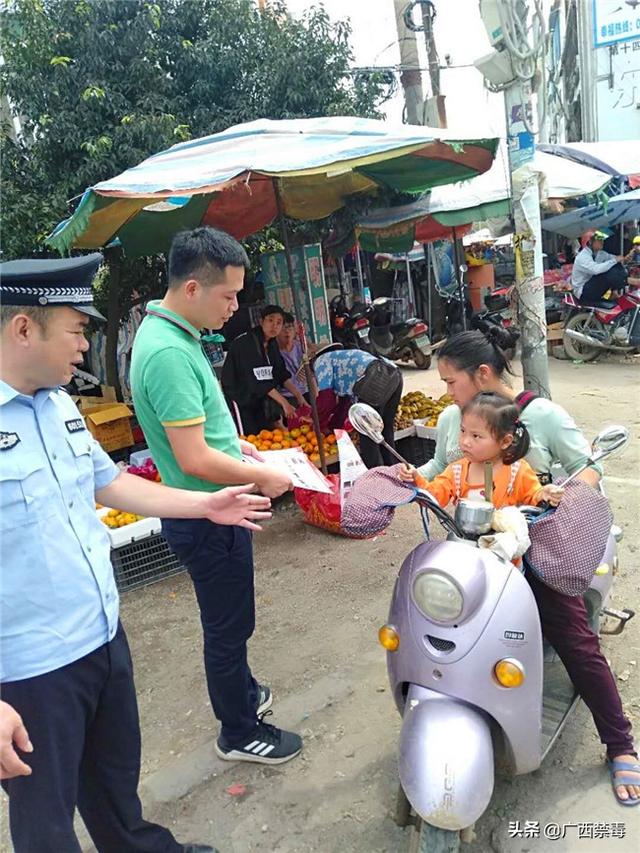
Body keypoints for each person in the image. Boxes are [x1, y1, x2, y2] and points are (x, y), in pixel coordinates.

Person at [0, 253, 273, 852]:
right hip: (30, 668)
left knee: (114, 782)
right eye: (76, 329)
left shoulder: (56, 404)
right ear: (25, 328)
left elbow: (111, 485)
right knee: (46, 819)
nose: (84, 347)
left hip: (100, 634)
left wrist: (206, 505)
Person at [406, 326, 639, 806]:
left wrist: (558, 497)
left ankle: (620, 744)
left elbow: (587, 467)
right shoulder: (455, 420)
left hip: (537, 552)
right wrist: (404, 479)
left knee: (576, 640)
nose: (446, 393)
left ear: (483, 375)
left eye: (452, 382)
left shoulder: (544, 416)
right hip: (469, 557)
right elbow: (436, 470)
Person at [130, 227, 303, 766]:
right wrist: (264, 478)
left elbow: (206, 439)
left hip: (217, 504)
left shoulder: (176, 339)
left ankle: (244, 693)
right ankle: (239, 730)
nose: (236, 307)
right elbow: (193, 459)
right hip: (208, 514)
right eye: (228, 296)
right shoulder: (167, 354)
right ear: (190, 289)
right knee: (227, 628)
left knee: (234, 618)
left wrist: (242, 449)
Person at [399, 391, 564, 509]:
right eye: (462, 431)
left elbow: (532, 496)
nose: (465, 441)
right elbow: (435, 497)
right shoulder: (456, 471)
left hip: (503, 553)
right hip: (465, 549)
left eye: (476, 436)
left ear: (505, 441)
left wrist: (544, 493)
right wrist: (415, 480)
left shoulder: (518, 471)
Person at [310, 345, 403, 468]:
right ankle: (395, 470)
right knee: (385, 427)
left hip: (375, 379)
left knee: (368, 433)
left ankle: (378, 476)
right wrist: (333, 427)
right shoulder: (343, 360)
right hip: (394, 373)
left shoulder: (321, 361)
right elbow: (344, 403)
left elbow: (326, 398)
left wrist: (315, 421)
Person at [222, 304, 308, 434]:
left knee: (269, 434)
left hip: (260, 398)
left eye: (279, 322)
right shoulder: (247, 343)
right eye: (270, 320)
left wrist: (299, 396)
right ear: (261, 321)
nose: (275, 325)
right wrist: (284, 403)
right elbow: (258, 381)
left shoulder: (272, 344)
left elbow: (281, 374)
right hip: (241, 396)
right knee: (251, 435)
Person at [571, 229, 632, 304]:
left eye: (602, 239)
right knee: (609, 272)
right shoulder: (582, 257)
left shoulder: (600, 253)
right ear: (590, 242)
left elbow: (615, 258)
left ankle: (616, 291)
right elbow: (596, 270)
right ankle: (631, 282)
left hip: (594, 287)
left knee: (615, 266)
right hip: (583, 292)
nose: (602, 242)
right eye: (599, 240)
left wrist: (625, 258)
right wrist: (615, 260)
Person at [276, 311, 316, 403]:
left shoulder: (301, 346)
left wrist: (316, 396)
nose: (287, 331)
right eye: (283, 328)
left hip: (306, 391)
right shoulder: (274, 352)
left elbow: (311, 373)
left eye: (290, 327)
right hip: (287, 395)